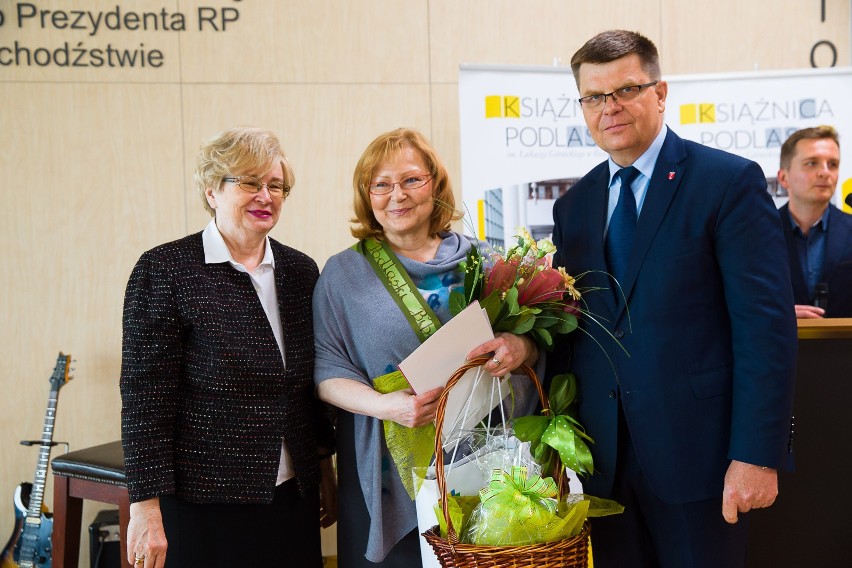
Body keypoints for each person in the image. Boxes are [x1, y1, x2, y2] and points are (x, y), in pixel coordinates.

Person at [549, 30, 798, 567]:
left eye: (626, 90)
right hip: (604, 467)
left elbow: (766, 331)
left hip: (702, 461)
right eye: (594, 97)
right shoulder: (575, 206)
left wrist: (757, 454)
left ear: (660, 93)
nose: (609, 108)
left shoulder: (727, 183)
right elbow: (575, 334)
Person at [312, 128, 539, 566]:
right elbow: (325, 372)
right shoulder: (342, 275)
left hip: (488, 463)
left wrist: (520, 346)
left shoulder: (486, 261)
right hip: (389, 472)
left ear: (435, 183)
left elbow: (533, 347)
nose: (396, 195)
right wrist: (387, 407)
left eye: (411, 180)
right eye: (381, 184)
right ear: (367, 195)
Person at [120, 127, 336, 568]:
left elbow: (305, 386)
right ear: (212, 190)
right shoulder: (167, 269)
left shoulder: (299, 271)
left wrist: (323, 470)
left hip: (292, 495)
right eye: (250, 182)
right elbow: (145, 399)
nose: (266, 195)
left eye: (276, 186)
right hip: (204, 501)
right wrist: (145, 507)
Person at [776, 125, 852, 318]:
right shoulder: (758, 232)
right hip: (780, 345)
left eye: (833, 164)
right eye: (812, 163)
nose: (825, 172)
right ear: (783, 178)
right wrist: (777, 314)